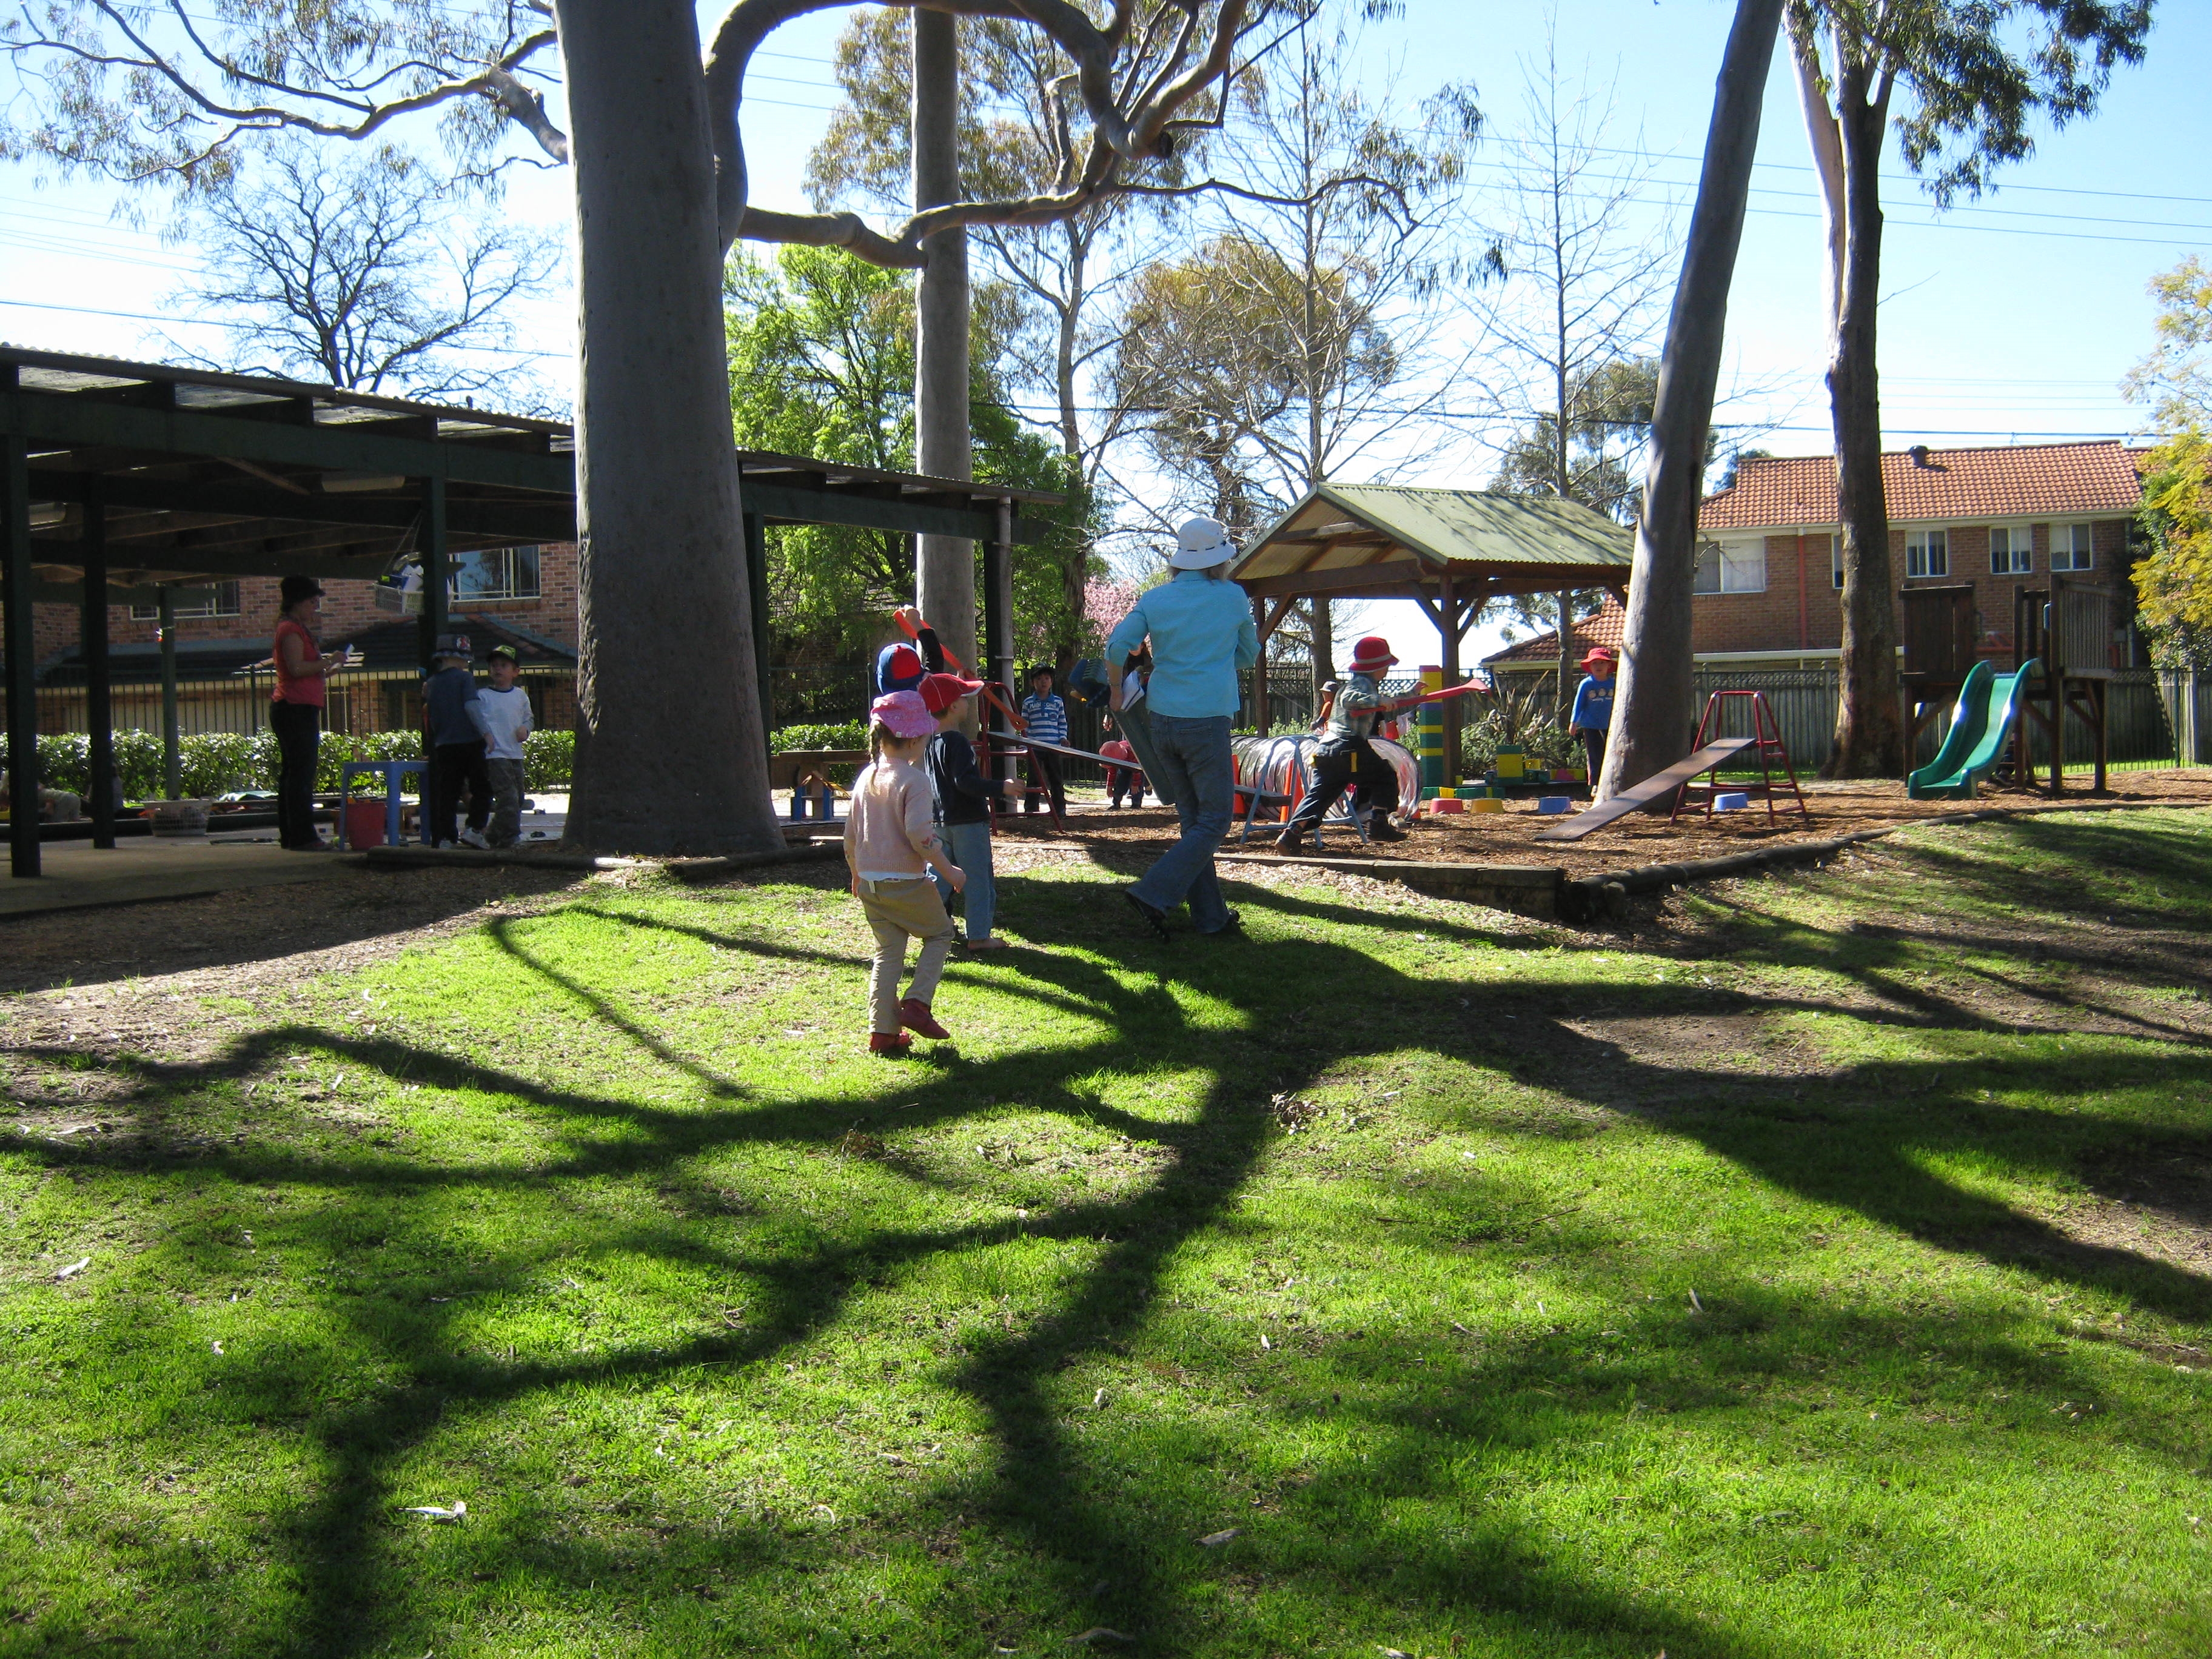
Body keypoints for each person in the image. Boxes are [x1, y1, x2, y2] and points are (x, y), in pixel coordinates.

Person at [1104, 516, 1258, 940]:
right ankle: (1154, 891)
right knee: (1216, 821)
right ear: (1219, 560)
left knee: (1195, 824)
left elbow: (1117, 646)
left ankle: (1212, 920)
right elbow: (1247, 655)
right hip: (1206, 721)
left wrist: (1116, 690)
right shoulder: (1232, 597)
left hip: (1162, 721)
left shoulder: (1155, 599)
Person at [843, 689, 967, 1056]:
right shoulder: (914, 780)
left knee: (889, 953)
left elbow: (850, 837)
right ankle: (917, 1005)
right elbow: (920, 836)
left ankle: (882, 1033)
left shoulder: (867, 777)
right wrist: (950, 872)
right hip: (906, 883)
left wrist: (856, 875)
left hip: (869, 884)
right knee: (940, 935)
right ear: (913, 738)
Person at [918, 671, 1028, 950]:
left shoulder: (929, 742)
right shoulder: (958, 742)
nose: (970, 704)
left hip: (940, 821)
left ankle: (931, 928)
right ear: (954, 706)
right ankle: (979, 936)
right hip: (968, 823)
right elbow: (965, 783)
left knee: (940, 877)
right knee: (979, 880)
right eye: (966, 699)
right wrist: (1002, 787)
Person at [1275, 636, 1413, 853]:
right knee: (1384, 775)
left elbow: (1393, 703)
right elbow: (1351, 698)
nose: (1387, 670)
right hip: (1348, 746)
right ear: (1376, 667)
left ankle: (1291, 835)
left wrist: (1413, 694)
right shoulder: (1361, 685)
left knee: (1321, 795)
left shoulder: (1368, 688)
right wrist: (1378, 701)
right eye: (1385, 666)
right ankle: (1377, 823)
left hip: (1327, 749)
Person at [270, 575, 355, 851]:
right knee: (301, 774)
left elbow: (308, 671)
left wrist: (329, 668)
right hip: (294, 707)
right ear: (297, 602)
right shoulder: (290, 630)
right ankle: (303, 836)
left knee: (293, 772)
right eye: (311, 601)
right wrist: (328, 660)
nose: (315, 607)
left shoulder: (297, 629)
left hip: (298, 705)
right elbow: (296, 668)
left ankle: (292, 834)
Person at [423, 634, 493, 850]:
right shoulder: (465, 679)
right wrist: (486, 733)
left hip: (445, 745)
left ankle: (447, 837)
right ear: (459, 658)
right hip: (470, 741)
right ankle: (474, 829)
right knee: (482, 788)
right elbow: (472, 707)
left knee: (448, 792)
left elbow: (432, 716)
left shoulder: (432, 684)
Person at [476, 644, 534, 848]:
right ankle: (511, 838)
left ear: (515, 672)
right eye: (494, 666)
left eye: (503, 665)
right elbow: (477, 721)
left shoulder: (520, 696)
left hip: (515, 754)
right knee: (507, 797)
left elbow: (529, 719)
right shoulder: (482, 696)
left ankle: (491, 836)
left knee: (517, 799)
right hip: (494, 755)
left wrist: (525, 729)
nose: (498, 669)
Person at [1017, 665, 1068, 816]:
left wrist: (1063, 738)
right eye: (1039, 679)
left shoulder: (1058, 702)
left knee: (1056, 778)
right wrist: (1024, 744)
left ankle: (1059, 809)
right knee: (1034, 778)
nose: (1043, 682)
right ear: (1033, 683)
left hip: (1053, 746)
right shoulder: (1028, 703)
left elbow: (1062, 722)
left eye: (1046, 679)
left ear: (1051, 682)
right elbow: (1024, 725)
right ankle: (1031, 808)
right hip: (1034, 746)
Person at [1569, 646, 1617, 785]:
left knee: (1611, 754)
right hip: (1591, 726)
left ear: (1609, 665)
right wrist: (1574, 722)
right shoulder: (1586, 684)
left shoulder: (1614, 684)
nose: (1599, 666)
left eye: (1602, 663)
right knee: (1595, 755)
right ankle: (1595, 784)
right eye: (1595, 663)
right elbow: (1579, 704)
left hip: (1611, 726)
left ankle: (1611, 782)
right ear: (1590, 666)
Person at [1100, 735, 1144, 808]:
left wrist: (1135, 784)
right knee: (1120, 783)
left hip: (1137, 766)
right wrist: (1109, 786)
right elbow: (1112, 772)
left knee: (1138, 786)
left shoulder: (1133, 751)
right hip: (1123, 765)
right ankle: (1116, 803)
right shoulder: (1113, 755)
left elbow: (1137, 771)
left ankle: (1136, 803)